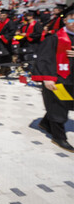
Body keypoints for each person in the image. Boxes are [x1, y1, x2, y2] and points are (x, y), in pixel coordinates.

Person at [32, 9, 74, 152]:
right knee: (59, 107)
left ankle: (45, 122)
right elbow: (45, 58)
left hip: (72, 79)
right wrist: (48, 78)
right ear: (65, 20)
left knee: (67, 104)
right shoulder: (55, 38)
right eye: (71, 19)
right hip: (58, 79)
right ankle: (59, 137)